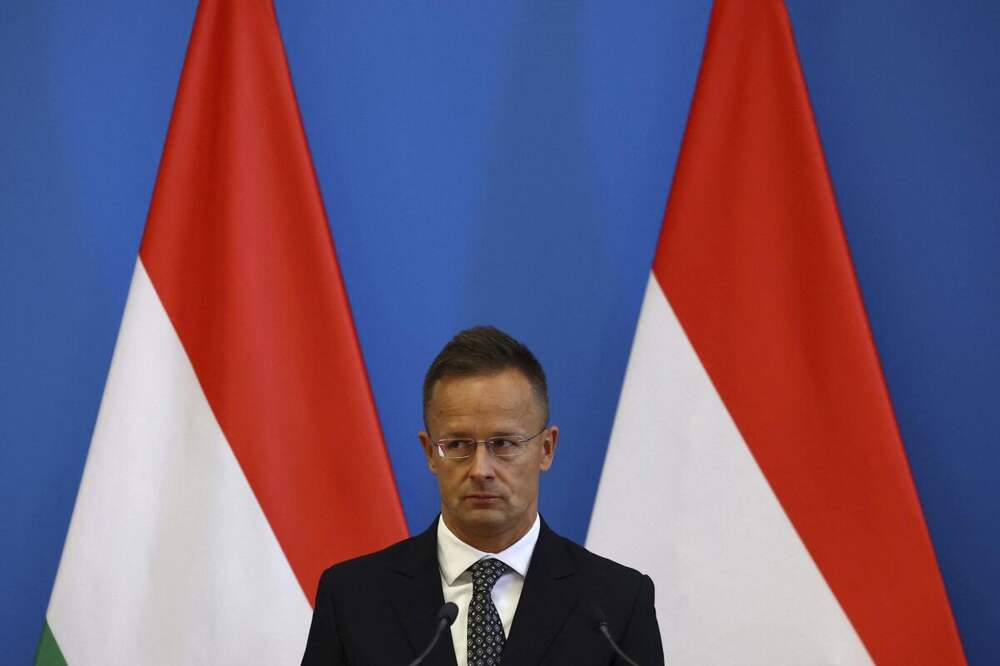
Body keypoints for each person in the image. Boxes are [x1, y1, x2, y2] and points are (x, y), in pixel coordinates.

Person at [302, 326, 664, 665]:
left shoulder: (617, 604)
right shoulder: (352, 598)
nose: (480, 469)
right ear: (430, 453)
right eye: (458, 444)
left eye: (503, 443)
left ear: (546, 449)